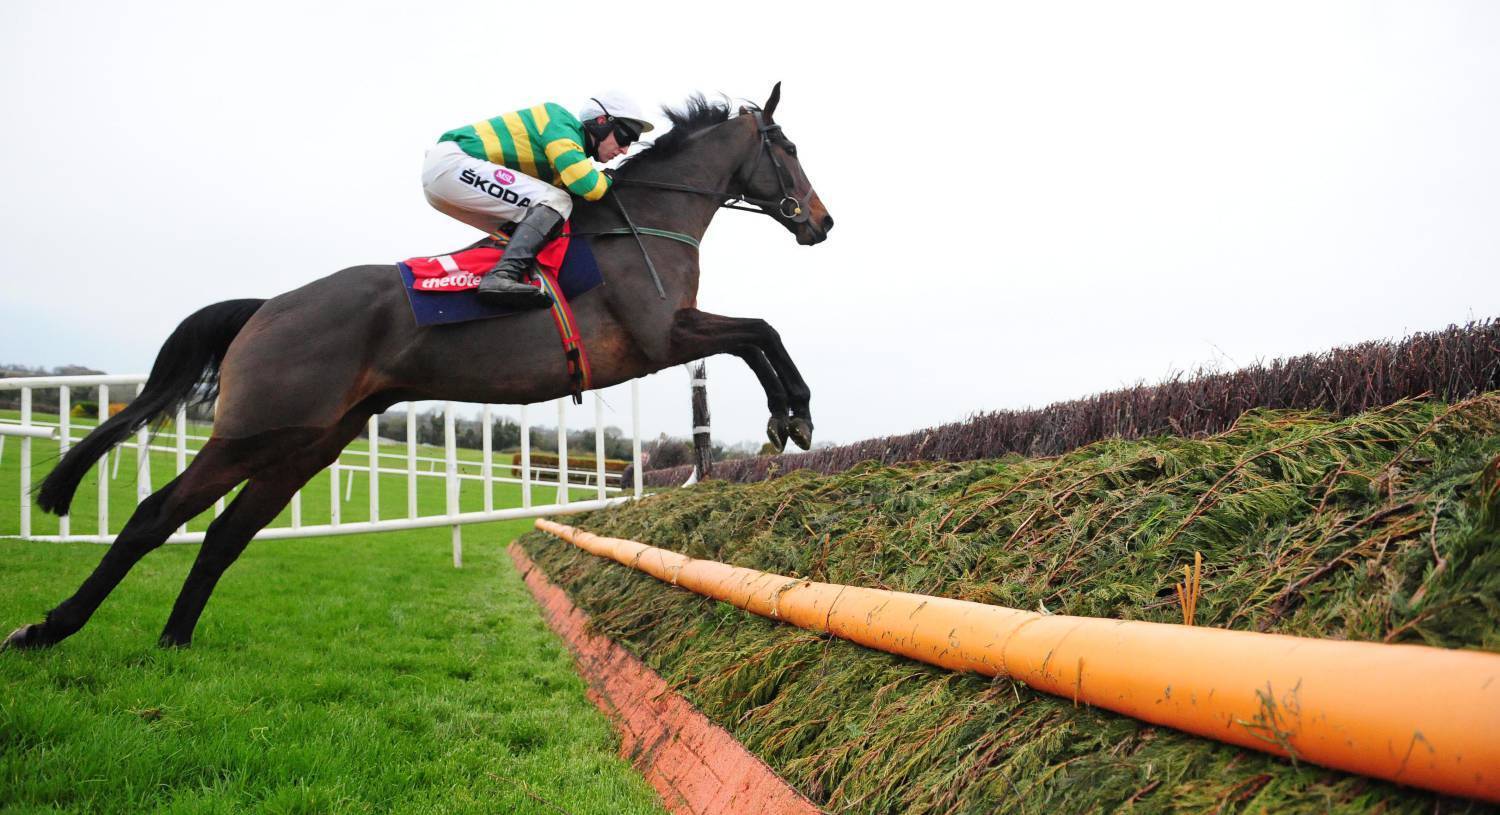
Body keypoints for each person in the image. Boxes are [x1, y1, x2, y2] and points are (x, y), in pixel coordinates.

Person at [421, 92, 654, 308]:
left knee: (541, 229)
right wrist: (611, 178)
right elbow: (588, 186)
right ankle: (501, 276)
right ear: (602, 121)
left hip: (450, 181)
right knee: (556, 201)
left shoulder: (564, 157)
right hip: (452, 165)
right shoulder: (559, 121)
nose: (625, 150)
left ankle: (505, 281)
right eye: (625, 136)